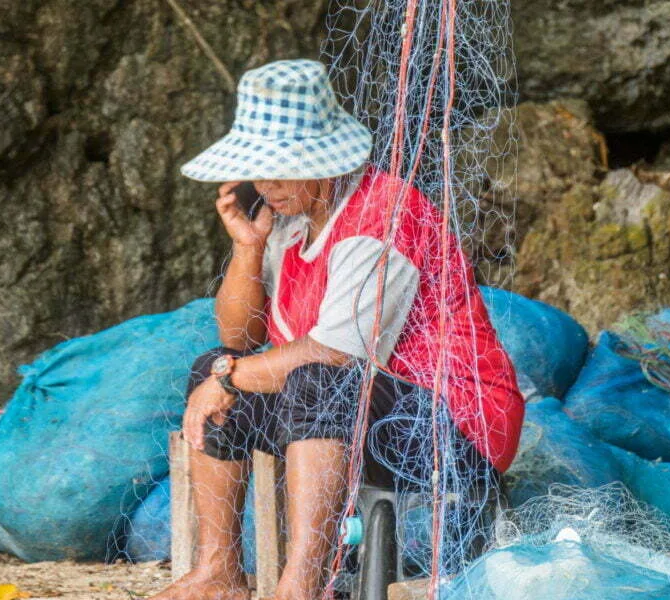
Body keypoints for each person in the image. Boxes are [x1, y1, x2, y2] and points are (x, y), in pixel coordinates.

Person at [150, 59, 524, 600]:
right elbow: (237, 337)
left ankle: (300, 586)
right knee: (208, 366)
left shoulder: (382, 215)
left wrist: (229, 378)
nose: (268, 186)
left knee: (312, 378)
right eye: (259, 170)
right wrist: (247, 248)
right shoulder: (290, 220)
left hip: (456, 424)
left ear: (323, 163)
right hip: (356, 406)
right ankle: (220, 573)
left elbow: (334, 353)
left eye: (282, 170)